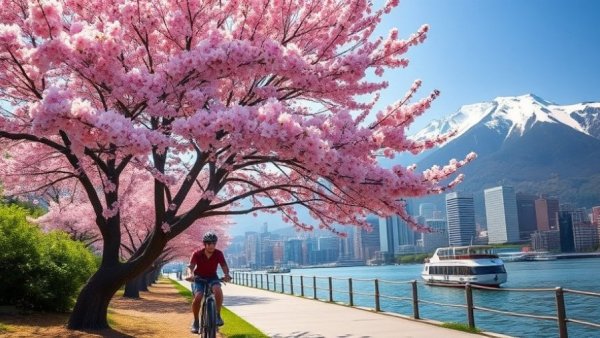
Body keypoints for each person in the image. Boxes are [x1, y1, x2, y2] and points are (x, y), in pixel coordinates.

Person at [186, 231, 232, 333]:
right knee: (198, 297)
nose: (212, 246)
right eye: (209, 243)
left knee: (218, 290)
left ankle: (218, 315)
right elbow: (191, 266)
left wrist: (226, 275)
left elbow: (224, 266)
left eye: (214, 244)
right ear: (205, 244)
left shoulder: (218, 253)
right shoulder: (197, 254)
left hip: (212, 277)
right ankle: (196, 321)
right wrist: (190, 275)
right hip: (199, 278)